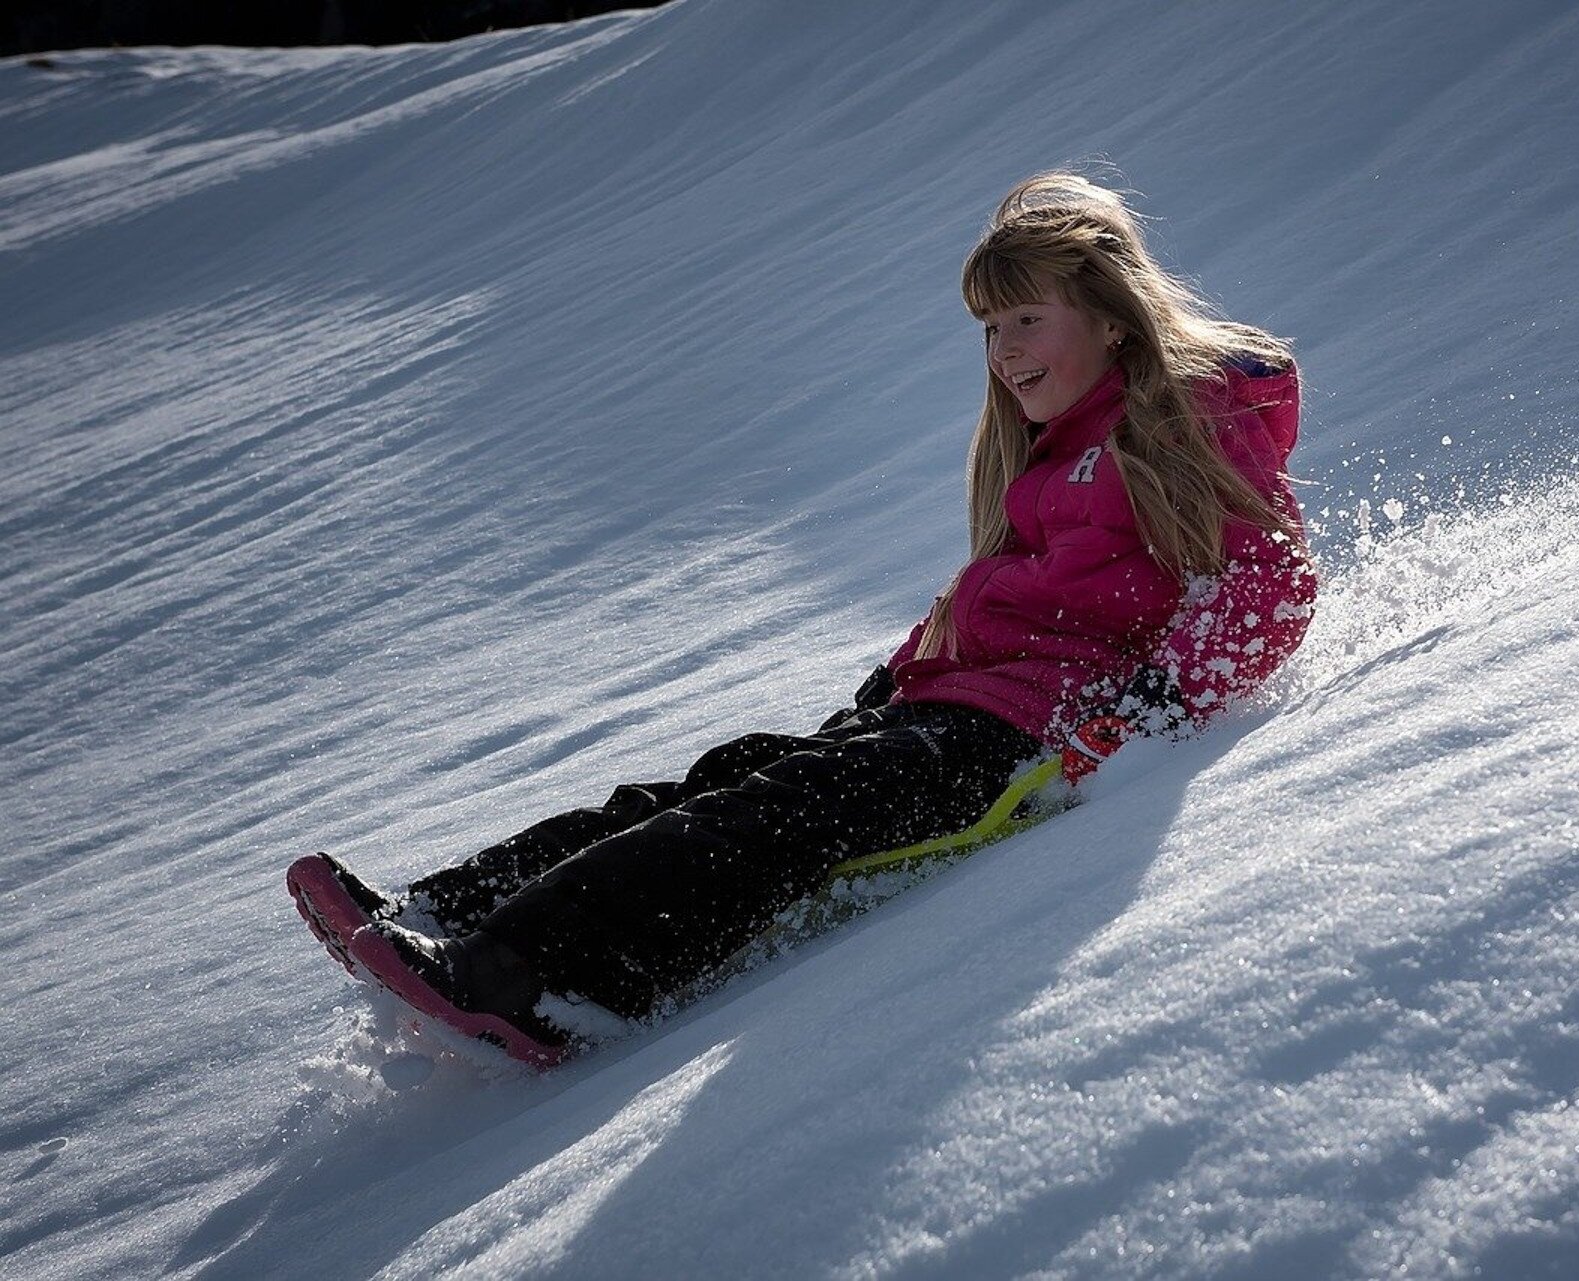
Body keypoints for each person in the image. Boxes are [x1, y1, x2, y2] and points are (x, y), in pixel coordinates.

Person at [286, 172, 1318, 1067]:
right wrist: (903, 667)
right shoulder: (1049, 460)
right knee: (715, 778)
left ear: (1108, 317)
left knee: (766, 819)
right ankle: (441, 912)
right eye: (990, 330)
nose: (1003, 353)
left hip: (1028, 742)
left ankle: (528, 984)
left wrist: (1160, 700)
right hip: (952, 707)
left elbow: (1267, 579)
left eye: (1025, 321)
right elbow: (995, 593)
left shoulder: (1187, 419)